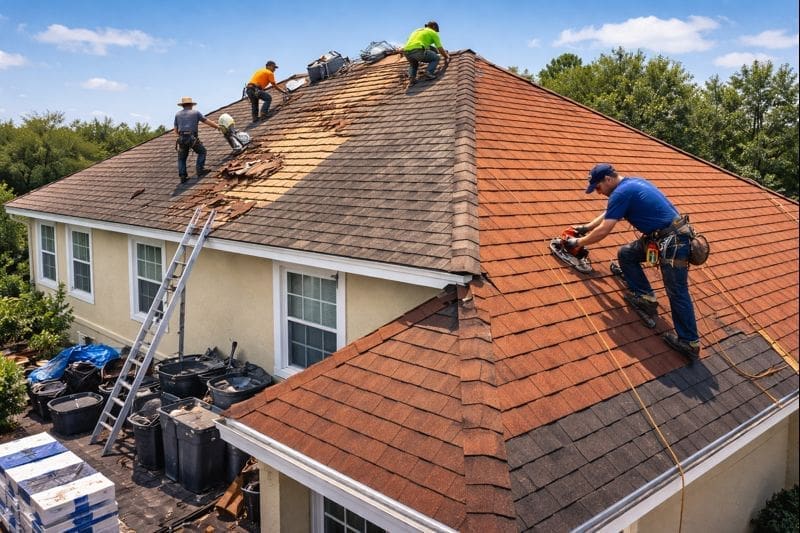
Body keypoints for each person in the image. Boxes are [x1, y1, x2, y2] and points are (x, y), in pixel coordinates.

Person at [566, 163, 701, 362]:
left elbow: (604, 230)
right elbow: (609, 213)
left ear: (608, 180)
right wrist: (586, 228)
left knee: (677, 291)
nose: (597, 191)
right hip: (662, 239)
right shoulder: (629, 184)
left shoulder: (621, 193)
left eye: (598, 187)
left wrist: (577, 242)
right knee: (627, 254)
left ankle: (689, 342)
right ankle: (645, 297)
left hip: (673, 243)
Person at [173, 97, 220, 183]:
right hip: (191, 137)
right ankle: (200, 170)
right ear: (191, 105)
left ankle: (183, 176)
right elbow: (206, 121)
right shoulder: (195, 113)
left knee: (182, 158)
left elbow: (175, 130)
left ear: (183, 105)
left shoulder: (177, 114)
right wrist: (217, 126)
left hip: (181, 138)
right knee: (202, 152)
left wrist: (181, 137)